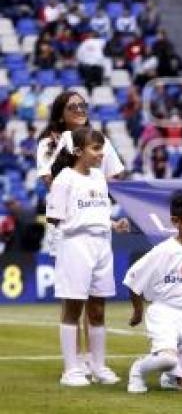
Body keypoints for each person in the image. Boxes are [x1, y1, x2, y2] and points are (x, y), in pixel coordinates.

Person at [37, 91, 125, 375]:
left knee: (97, 301)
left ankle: (94, 362)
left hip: (98, 226)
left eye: (83, 105)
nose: (79, 109)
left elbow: (113, 176)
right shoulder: (49, 144)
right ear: (60, 112)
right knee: (73, 297)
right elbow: (52, 183)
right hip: (72, 229)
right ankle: (73, 364)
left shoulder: (100, 141)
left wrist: (104, 212)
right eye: (72, 106)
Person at [125, 190, 182, 393]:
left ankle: (172, 377)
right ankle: (138, 370)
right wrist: (138, 312)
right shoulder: (163, 251)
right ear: (176, 221)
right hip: (166, 312)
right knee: (167, 358)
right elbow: (132, 279)